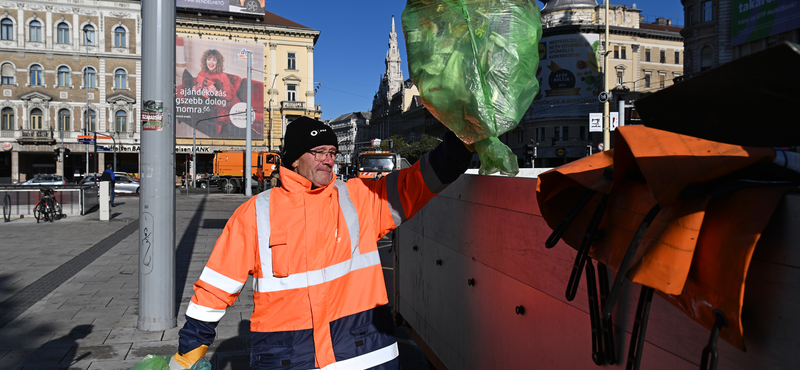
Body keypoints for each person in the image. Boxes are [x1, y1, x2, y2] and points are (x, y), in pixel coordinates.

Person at [170, 117, 473, 370]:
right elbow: (215, 286)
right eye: (318, 151)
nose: (329, 159)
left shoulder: (358, 198)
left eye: (332, 152)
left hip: (363, 355)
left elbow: (417, 183)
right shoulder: (255, 213)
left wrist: (462, 143)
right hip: (287, 358)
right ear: (294, 158)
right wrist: (190, 349)